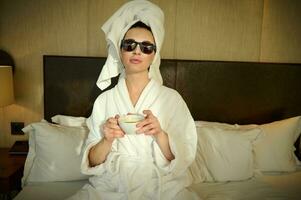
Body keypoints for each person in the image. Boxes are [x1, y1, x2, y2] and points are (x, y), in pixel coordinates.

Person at [67, 0, 198, 199]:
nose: (137, 51)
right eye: (129, 45)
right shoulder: (104, 100)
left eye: (146, 47)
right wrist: (107, 139)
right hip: (114, 184)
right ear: (120, 51)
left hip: (161, 184)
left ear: (154, 55)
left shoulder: (172, 100)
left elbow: (180, 159)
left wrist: (159, 133)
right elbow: (92, 161)